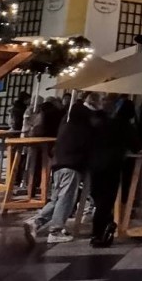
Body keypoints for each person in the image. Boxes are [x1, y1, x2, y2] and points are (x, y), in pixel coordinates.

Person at [23, 92, 101, 245]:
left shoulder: (70, 116)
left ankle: (35, 222)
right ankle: (56, 231)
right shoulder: (86, 118)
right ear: (93, 100)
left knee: (58, 198)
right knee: (66, 198)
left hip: (59, 161)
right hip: (72, 162)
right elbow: (88, 140)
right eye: (101, 100)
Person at [89, 97, 142, 248]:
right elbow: (136, 146)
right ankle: (99, 233)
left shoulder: (105, 124)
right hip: (111, 166)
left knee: (98, 198)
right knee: (106, 201)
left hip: (95, 164)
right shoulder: (125, 126)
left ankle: (100, 229)